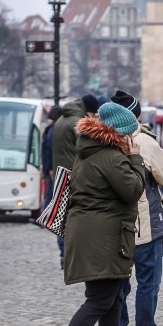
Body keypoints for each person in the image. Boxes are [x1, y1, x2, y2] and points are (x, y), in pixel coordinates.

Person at [47, 101, 147, 326]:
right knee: (100, 299)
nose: (131, 140)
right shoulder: (112, 157)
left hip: (93, 233)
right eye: (128, 134)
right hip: (104, 236)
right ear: (118, 133)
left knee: (112, 295)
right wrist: (136, 159)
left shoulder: (89, 151)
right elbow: (133, 190)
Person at [111, 90, 163, 326]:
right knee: (148, 282)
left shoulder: (105, 140)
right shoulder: (144, 142)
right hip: (145, 224)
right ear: (135, 114)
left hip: (114, 226)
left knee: (120, 285)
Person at [51, 95, 99, 267]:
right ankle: (73, 255)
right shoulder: (78, 122)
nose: (93, 117)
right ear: (89, 110)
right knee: (75, 216)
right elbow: (86, 148)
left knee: (62, 215)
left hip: (60, 174)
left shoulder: (61, 120)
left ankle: (64, 254)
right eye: (94, 113)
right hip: (74, 175)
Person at [40, 105, 61, 211]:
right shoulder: (53, 130)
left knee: (50, 192)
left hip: (50, 166)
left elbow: (47, 150)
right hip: (51, 166)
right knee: (51, 192)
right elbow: (50, 149)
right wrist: (50, 168)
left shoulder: (50, 129)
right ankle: (46, 216)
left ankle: (46, 215)